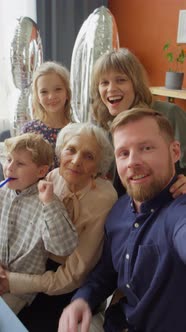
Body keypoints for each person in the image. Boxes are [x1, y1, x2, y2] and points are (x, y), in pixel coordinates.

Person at [58, 108, 186, 332]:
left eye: (146, 148)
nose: (132, 162)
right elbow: (107, 271)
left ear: (175, 152)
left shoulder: (178, 211)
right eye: (123, 153)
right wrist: (83, 299)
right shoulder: (117, 211)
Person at [0, 123, 118, 331]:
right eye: (70, 150)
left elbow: (73, 276)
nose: (75, 161)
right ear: (60, 151)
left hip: (65, 283)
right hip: (34, 266)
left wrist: (13, 281)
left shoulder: (104, 199)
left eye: (89, 156)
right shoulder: (53, 176)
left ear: (99, 167)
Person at [90, 48, 186, 196]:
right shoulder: (101, 126)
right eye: (104, 83)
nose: (111, 89)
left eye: (121, 80)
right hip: (122, 211)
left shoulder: (169, 114)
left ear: (136, 83)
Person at [0, 132, 77, 315]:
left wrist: (49, 204)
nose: (9, 168)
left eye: (20, 163)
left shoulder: (48, 202)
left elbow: (63, 248)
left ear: (41, 171)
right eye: (8, 159)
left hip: (19, 289)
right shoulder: (3, 191)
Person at [21, 61, 72, 168]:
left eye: (58, 89)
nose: (51, 96)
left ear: (67, 93)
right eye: (44, 92)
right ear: (38, 98)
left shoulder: (78, 131)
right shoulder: (29, 131)